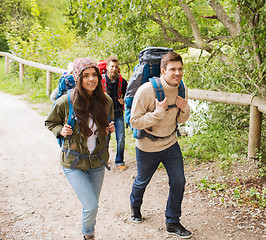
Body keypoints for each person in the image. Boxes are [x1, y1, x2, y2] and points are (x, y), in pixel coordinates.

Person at [45, 58, 115, 240]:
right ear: (78, 78)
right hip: (73, 163)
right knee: (91, 206)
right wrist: (61, 130)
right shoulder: (65, 101)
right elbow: (50, 122)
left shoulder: (105, 100)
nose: (91, 79)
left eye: (94, 75)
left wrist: (108, 128)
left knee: (92, 204)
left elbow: (107, 122)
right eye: (86, 76)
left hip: (98, 161)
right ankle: (88, 235)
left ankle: (88, 231)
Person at [129, 52, 192, 238]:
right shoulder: (146, 91)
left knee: (179, 182)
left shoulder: (182, 88)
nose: (177, 73)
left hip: (171, 143)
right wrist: (158, 112)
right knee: (142, 180)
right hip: (148, 146)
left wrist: (185, 109)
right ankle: (135, 205)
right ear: (163, 71)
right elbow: (134, 121)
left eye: (180, 69)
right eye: (172, 69)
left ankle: (172, 222)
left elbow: (181, 119)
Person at [102, 56, 128, 170]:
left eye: (116, 67)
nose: (114, 69)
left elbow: (128, 96)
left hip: (118, 114)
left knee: (121, 138)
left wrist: (124, 101)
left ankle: (119, 160)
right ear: (107, 67)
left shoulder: (123, 82)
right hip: (104, 115)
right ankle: (104, 159)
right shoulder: (100, 81)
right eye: (112, 66)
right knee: (105, 138)